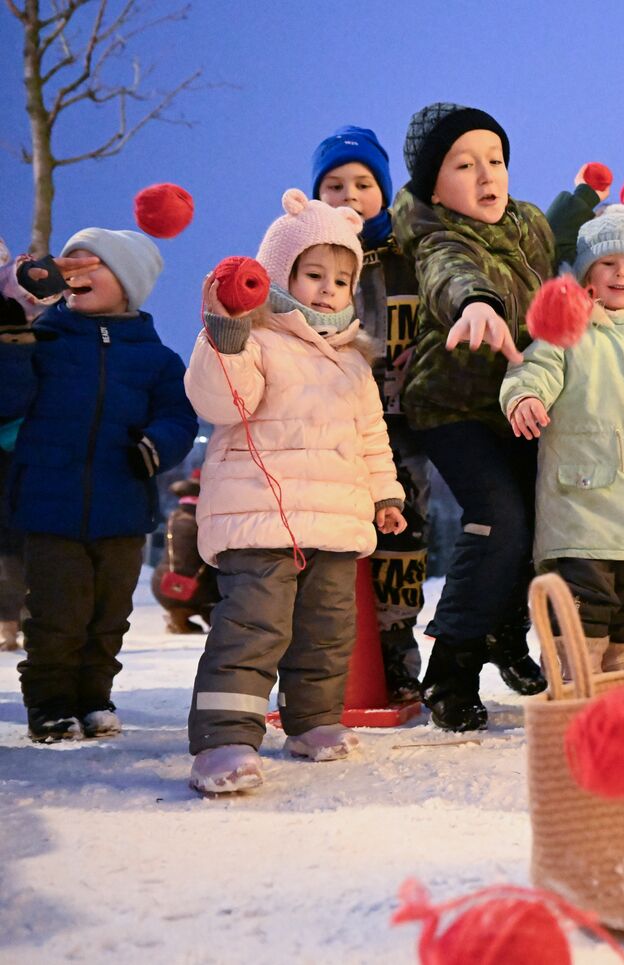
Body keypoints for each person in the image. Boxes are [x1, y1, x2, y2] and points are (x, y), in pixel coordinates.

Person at [185, 189, 406, 793]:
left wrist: (386, 493)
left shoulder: (353, 361)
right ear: (279, 274)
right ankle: (225, 737)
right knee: (255, 626)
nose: (329, 289)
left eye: (342, 279)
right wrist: (227, 334)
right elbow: (220, 401)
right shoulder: (252, 340)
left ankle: (312, 722)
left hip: (334, 520)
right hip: (260, 517)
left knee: (327, 629)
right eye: (313, 274)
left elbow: (370, 435)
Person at [390, 103, 553, 730]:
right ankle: (451, 669)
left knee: (540, 520)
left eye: (496, 160)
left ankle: (506, 632)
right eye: (465, 165)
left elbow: (560, 256)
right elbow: (446, 273)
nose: (487, 176)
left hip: (518, 399)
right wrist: (477, 302)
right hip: (452, 404)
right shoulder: (436, 232)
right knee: (499, 517)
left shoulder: (529, 225)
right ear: (435, 185)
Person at [0, 227, 196, 741]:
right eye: (69, 264)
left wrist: (157, 445)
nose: (76, 273)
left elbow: (178, 417)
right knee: (55, 616)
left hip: (123, 507)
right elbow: (8, 398)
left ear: (128, 282)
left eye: (91, 264)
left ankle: (94, 699)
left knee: (109, 617)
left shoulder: (158, 359)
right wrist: (17, 328)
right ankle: (50, 706)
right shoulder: (45, 340)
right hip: (49, 506)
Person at [500, 206, 624, 673]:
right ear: (587, 273)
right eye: (608, 264)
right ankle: (573, 686)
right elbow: (532, 370)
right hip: (580, 506)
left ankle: (616, 681)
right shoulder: (567, 332)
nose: (620, 274)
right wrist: (524, 398)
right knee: (585, 604)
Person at [311, 125, 433, 703]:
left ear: (384, 192)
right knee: (324, 545)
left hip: (402, 430)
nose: (349, 195)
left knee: (401, 544)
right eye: (334, 185)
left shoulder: (414, 258)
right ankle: (321, 668)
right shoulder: (303, 264)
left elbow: (443, 328)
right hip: (324, 432)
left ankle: (396, 658)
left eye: (363, 183)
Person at [150, 473, 220, 633]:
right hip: (195, 589)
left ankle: (179, 615)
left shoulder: (175, 516)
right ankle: (213, 616)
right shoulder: (204, 521)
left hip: (163, 584)